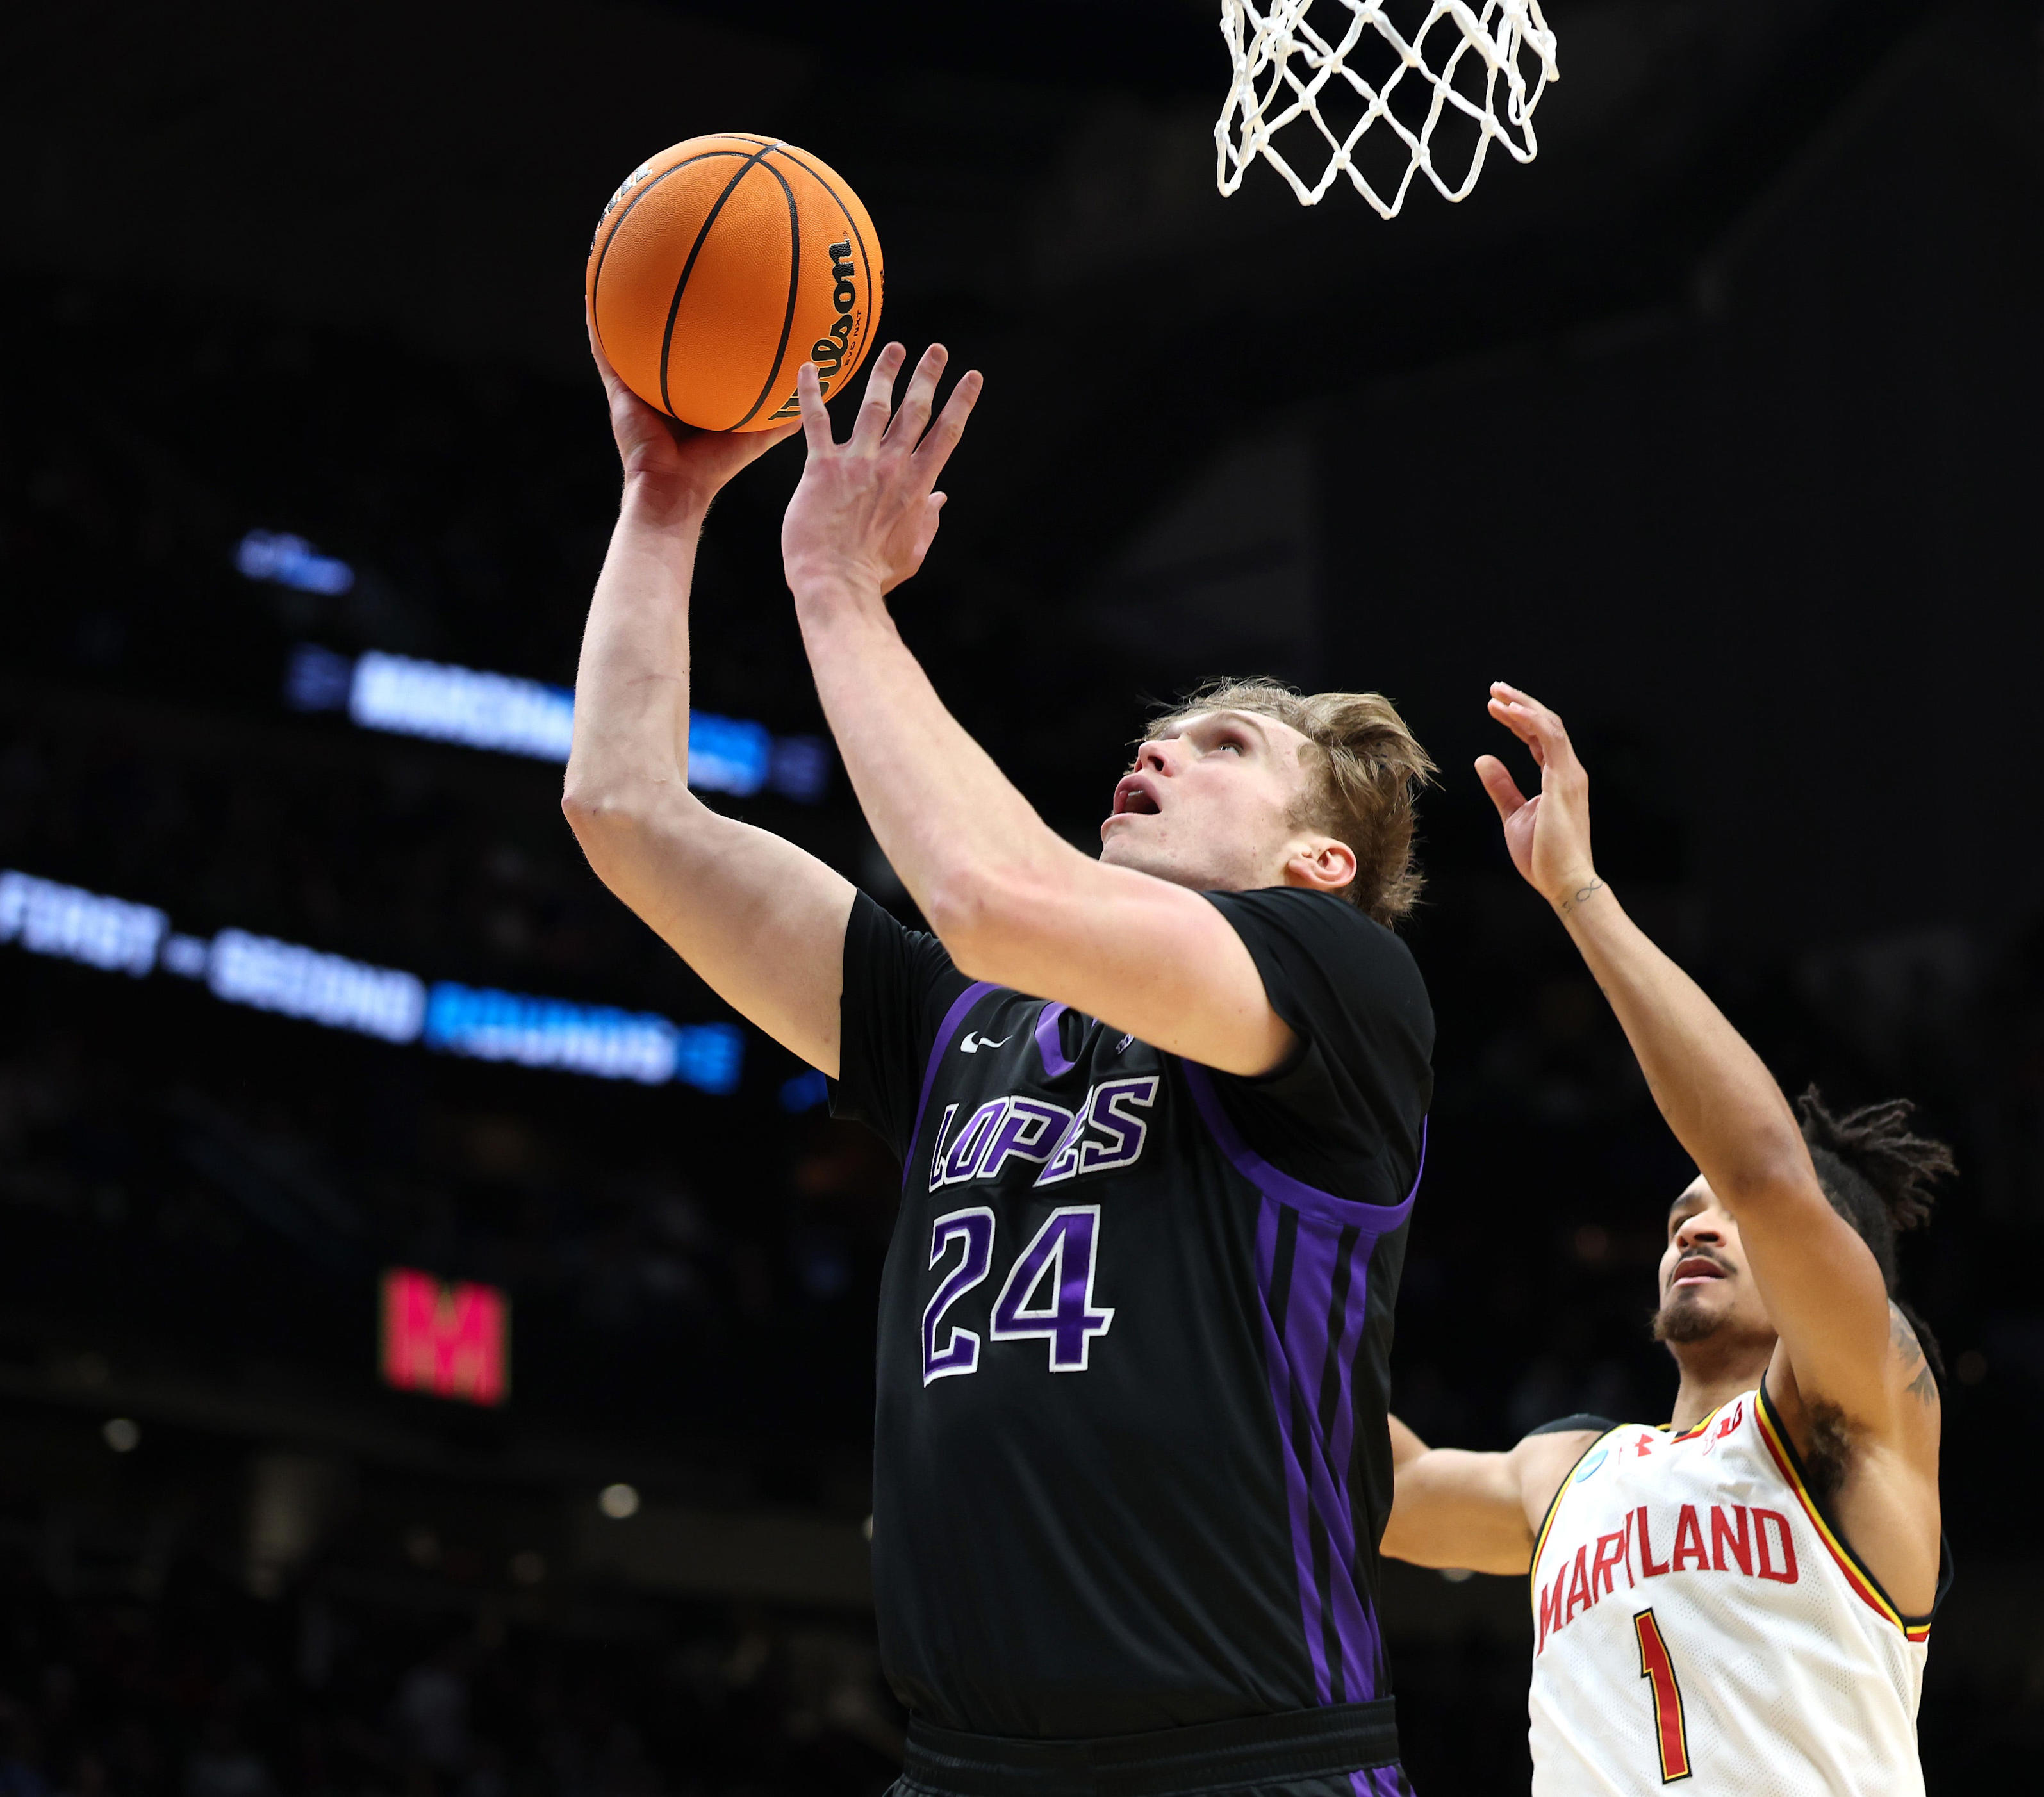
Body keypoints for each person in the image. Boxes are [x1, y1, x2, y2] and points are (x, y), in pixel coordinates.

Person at [563, 337, 1438, 1796]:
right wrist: (663, 503)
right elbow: (623, 808)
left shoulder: (1345, 982)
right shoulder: (962, 1022)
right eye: (1152, 736)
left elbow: (990, 889)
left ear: (1319, 858)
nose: (1155, 752)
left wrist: (837, 586)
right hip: (968, 1767)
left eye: (1218, 746)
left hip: (1243, 1762)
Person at [1380, 685, 1953, 1795]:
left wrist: (1581, 893)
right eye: (1681, 1211)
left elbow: (1768, 1177)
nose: (1697, 1221)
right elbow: (1375, 1482)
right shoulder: (1575, 1471)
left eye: (1723, 1214)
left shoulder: (1868, 1403)